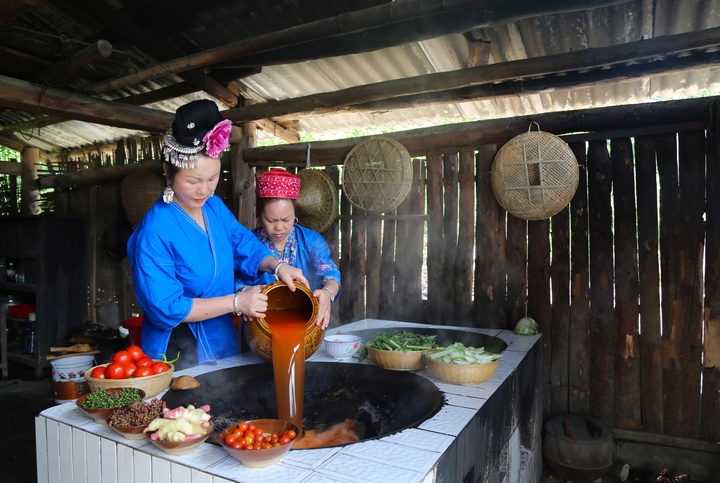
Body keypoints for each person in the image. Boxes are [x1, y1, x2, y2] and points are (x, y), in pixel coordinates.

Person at [127, 100, 309, 369]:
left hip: (221, 339)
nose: (205, 190)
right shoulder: (154, 233)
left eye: (212, 178)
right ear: (168, 172)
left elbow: (243, 243)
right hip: (178, 350)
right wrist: (236, 302)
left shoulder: (213, 207)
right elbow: (167, 308)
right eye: (193, 181)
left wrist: (278, 265)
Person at [235, 168, 341, 330]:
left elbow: (330, 274)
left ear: (295, 214)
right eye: (271, 220)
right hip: (259, 328)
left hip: (306, 323)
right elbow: (233, 284)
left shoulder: (311, 240)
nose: (279, 227)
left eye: (286, 219)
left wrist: (327, 292)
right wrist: (245, 291)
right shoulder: (248, 244)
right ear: (259, 216)